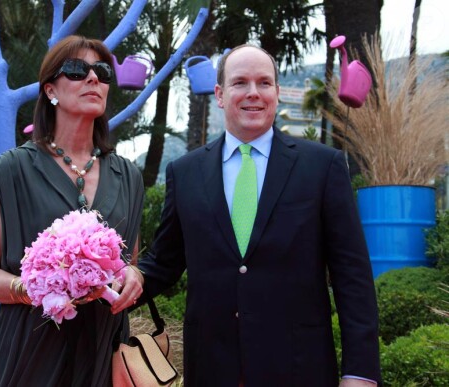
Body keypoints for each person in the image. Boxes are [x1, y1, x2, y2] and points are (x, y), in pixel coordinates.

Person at [112, 44, 381, 386]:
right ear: (221, 94)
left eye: (264, 83)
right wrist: (126, 279)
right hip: (212, 368)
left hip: (300, 368)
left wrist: (361, 373)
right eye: (240, 82)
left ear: (277, 93)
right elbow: (164, 262)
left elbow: (352, 277)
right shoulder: (185, 173)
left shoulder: (323, 167)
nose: (254, 93)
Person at [0, 35, 145, 386]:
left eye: (102, 72)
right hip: (31, 351)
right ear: (50, 90)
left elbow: (130, 264)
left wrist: (134, 279)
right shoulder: (12, 170)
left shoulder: (129, 176)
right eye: (78, 70)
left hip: (104, 351)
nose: (93, 78)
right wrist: (43, 288)